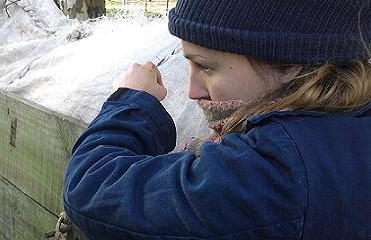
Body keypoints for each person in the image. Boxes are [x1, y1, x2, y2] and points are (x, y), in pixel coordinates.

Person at [62, 0, 371, 239]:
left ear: (291, 63)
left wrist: (131, 103)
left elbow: (89, 189)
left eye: (206, 67)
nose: (193, 91)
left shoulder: (278, 171)